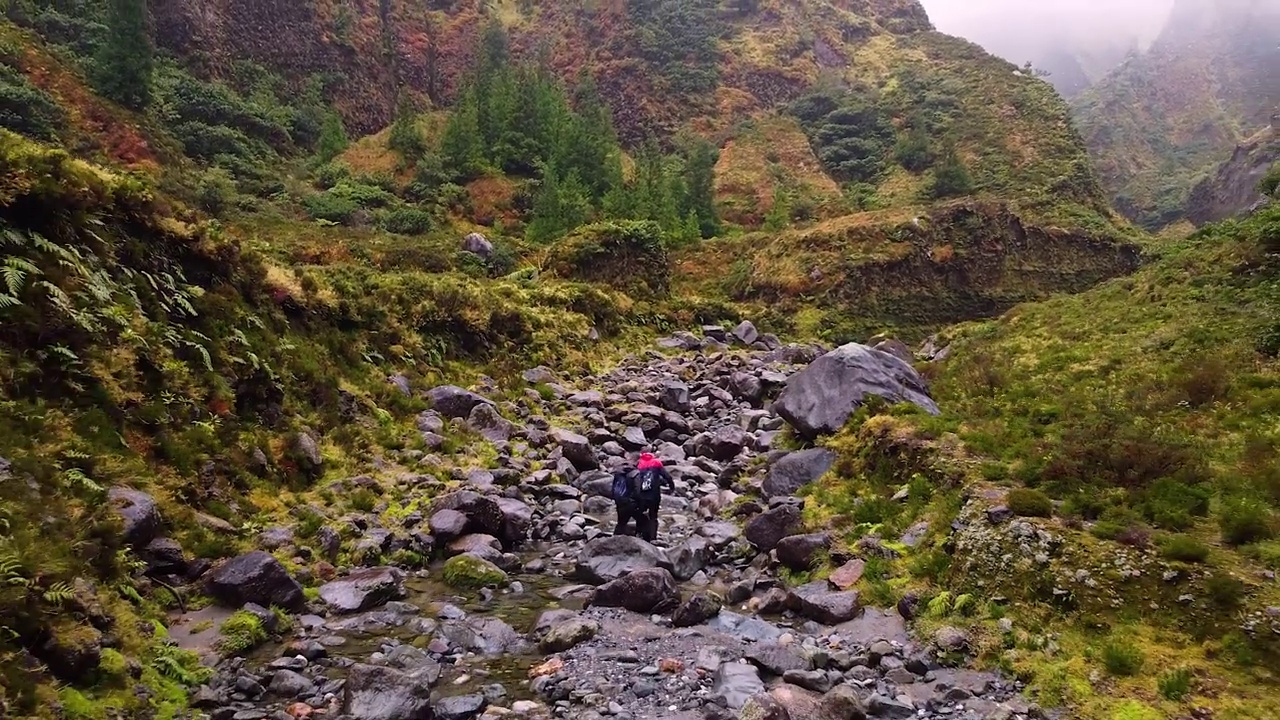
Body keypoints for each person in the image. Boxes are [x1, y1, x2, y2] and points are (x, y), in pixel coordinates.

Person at [634, 452, 674, 543]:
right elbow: (667, 476)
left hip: (642, 494)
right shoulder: (656, 463)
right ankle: (653, 538)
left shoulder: (639, 465)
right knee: (653, 516)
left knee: (640, 515)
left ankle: (638, 534)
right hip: (654, 494)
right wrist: (672, 487)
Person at [611, 462, 643, 537]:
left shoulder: (618, 475)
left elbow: (613, 489)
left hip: (620, 502)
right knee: (643, 520)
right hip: (631, 503)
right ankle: (640, 538)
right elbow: (637, 490)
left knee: (621, 523)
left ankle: (614, 539)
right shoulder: (635, 475)